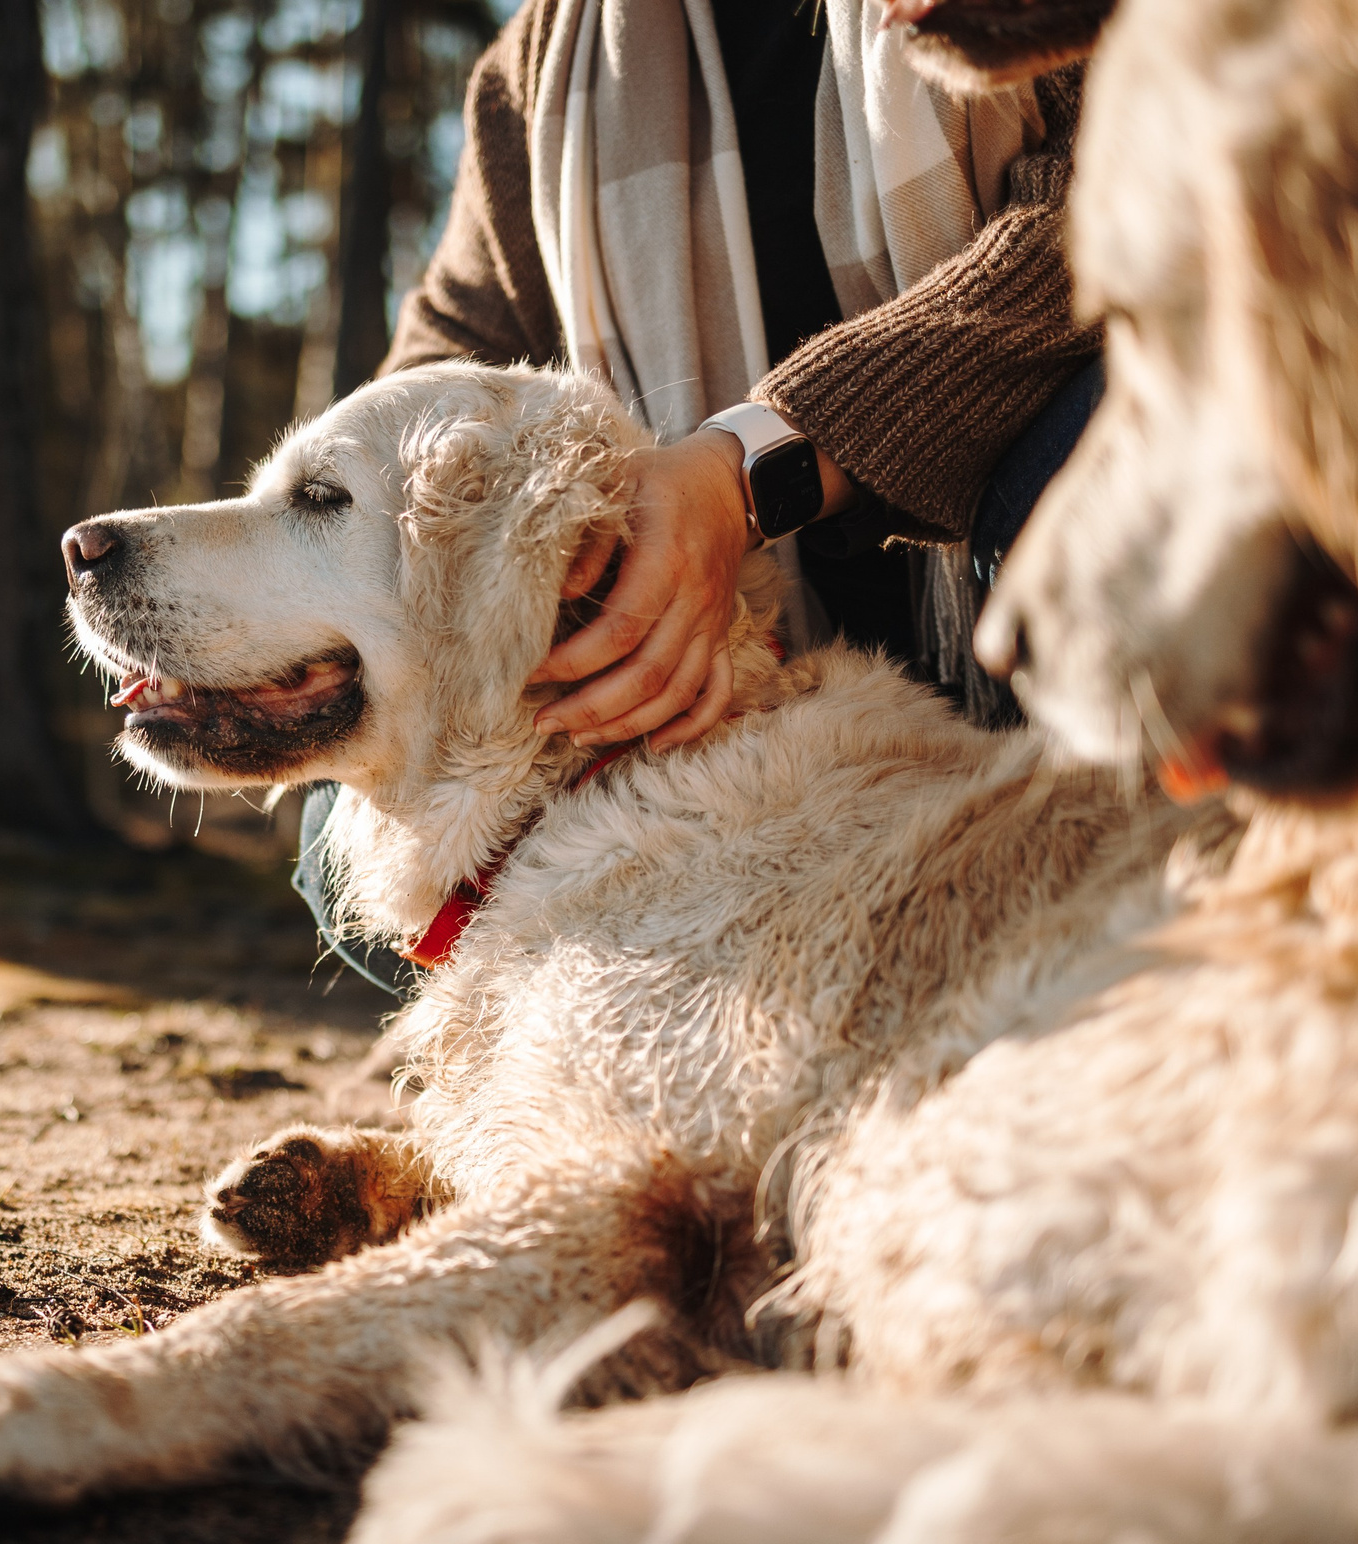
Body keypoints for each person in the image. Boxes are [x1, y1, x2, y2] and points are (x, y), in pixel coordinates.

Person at [300, 0, 1105, 994]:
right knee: (338, 835)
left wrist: (744, 471)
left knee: (1105, 436)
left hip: (1015, 606)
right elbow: (425, 385)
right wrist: (563, 546)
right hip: (742, 710)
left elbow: (1104, 219)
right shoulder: (542, 70)